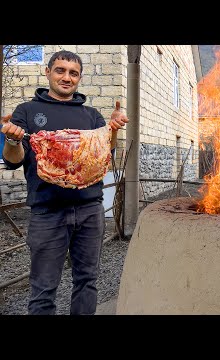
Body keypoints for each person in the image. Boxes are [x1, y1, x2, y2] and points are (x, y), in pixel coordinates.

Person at [0, 50, 128, 315]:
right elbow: (14, 160)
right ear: (47, 72)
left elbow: (105, 155)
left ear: (79, 78)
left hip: (89, 210)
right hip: (47, 213)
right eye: (60, 70)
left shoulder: (92, 116)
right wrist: (12, 140)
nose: (66, 77)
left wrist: (112, 132)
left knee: (87, 281)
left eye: (73, 73)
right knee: (43, 289)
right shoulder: (27, 110)